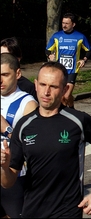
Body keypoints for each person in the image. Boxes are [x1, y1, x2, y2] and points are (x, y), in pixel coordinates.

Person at [1, 61, 91, 218]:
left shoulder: (78, 121)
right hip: (32, 210)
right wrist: (4, 166)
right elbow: (7, 182)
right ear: (35, 85)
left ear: (64, 90)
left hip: (67, 211)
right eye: (43, 84)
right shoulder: (23, 125)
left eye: (54, 86)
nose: (46, 92)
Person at [1, 53, 38, 218]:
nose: (0, 80)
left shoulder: (27, 103)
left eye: (5, 75)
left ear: (17, 74)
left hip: (13, 175)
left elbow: (33, 144)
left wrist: (6, 129)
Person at [45, 13, 91, 109]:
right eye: (63, 23)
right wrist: (50, 55)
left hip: (72, 70)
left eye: (67, 23)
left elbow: (89, 50)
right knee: (65, 96)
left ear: (73, 24)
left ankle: (65, 115)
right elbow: (47, 50)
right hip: (59, 70)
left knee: (65, 96)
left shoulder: (80, 37)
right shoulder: (56, 36)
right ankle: (72, 109)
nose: (64, 25)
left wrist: (84, 60)